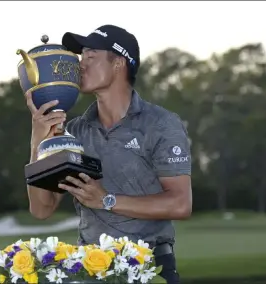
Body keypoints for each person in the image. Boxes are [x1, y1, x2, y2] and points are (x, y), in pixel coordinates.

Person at [25, 24, 192, 284]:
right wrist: (38, 141)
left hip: (150, 268)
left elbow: (180, 204)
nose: (81, 65)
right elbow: (41, 209)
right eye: (81, 58)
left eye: (91, 56)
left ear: (119, 63)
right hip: (88, 270)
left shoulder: (160, 123)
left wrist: (107, 200)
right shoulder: (74, 131)